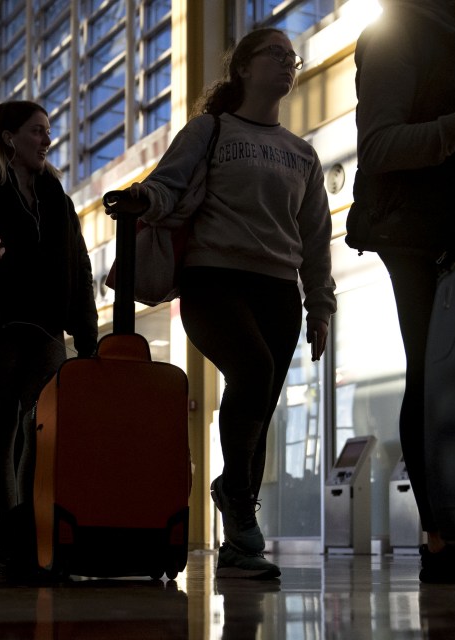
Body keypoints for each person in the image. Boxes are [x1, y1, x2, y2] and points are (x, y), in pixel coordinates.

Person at [113, 30, 335, 579]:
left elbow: (315, 237)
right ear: (242, 68)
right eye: (275, 55)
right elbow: (167, 185)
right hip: (214, 279)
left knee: (258, 407)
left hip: (278, 289)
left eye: (292, 58)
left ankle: (238, 541)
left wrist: (321, 306)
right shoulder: (210, 130)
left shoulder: (301, 154)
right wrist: (144, 197)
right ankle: (236, 498)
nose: (288, 64)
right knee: (253, 370)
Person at [348, 0, 455, 585]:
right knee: (432, 369)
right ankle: (439, 533)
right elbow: (380, 146)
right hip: (413, 227)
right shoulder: (398, 33)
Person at [0, 99, 100, 572]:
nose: (47, 140)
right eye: (37, 131)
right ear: (8, 137)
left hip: (44, 330)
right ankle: (7, 532)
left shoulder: (58, 201)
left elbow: (79, 268)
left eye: (48, 131)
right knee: (0, 426)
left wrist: (86, 337)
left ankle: (29, 525)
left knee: (41, 425)